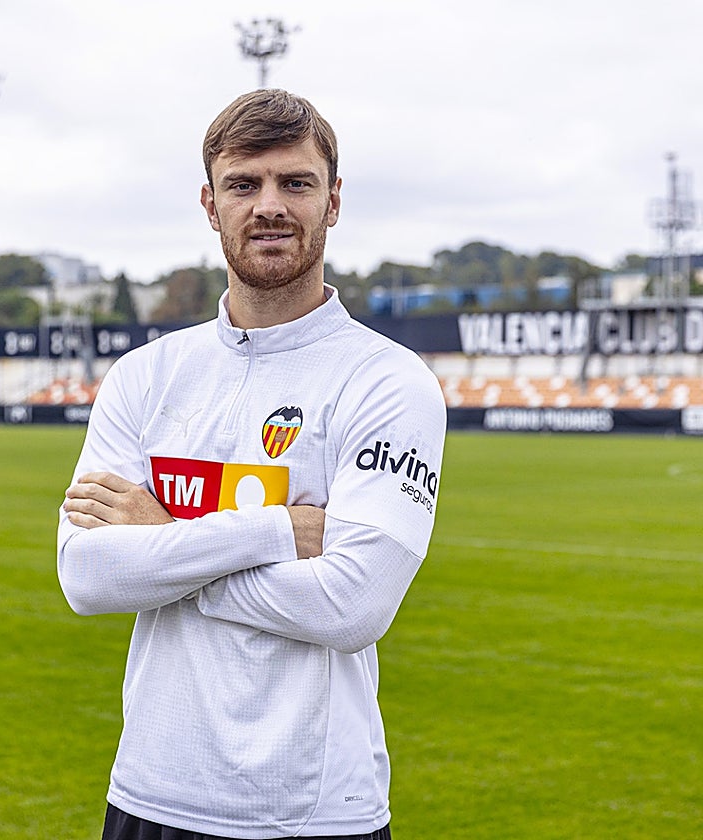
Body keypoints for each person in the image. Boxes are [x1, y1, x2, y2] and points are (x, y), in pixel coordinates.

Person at [57, 88, 446, 840]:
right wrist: (275, 533)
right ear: (210, 204)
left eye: (295, 183)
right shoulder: (144, 375)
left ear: (333, 202)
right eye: (244, 184)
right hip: (150, 795)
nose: (269, 205)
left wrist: (161, 542)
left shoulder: (388, 381)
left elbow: (350, 607)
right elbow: (89, 578)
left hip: (315, 811)